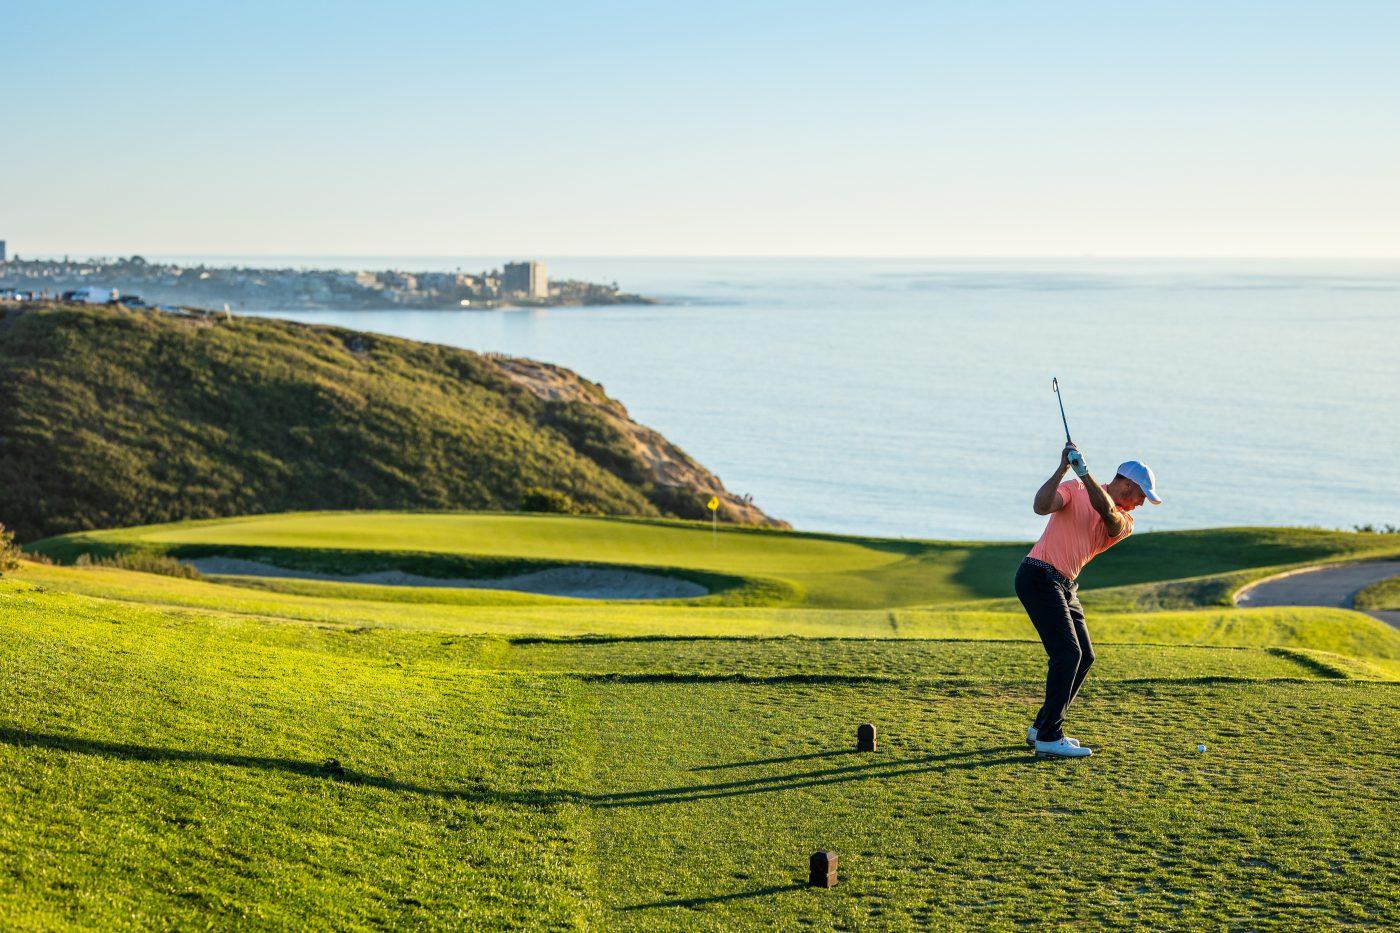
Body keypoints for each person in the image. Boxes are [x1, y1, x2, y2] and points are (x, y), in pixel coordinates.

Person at [1017, 443, 1161, 758]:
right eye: (1141, 495)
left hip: (1065, 584)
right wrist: (1063, 470)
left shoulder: (1124, 521)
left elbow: (1106, 511)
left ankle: (1042, 725)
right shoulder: (1075, 488)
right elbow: (1041, 507)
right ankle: (1049, 737)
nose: (1141, 503)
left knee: (1084, 656)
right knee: (1068, 654)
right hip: (1038, 575)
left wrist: (1085, 472)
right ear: (1126, 483)